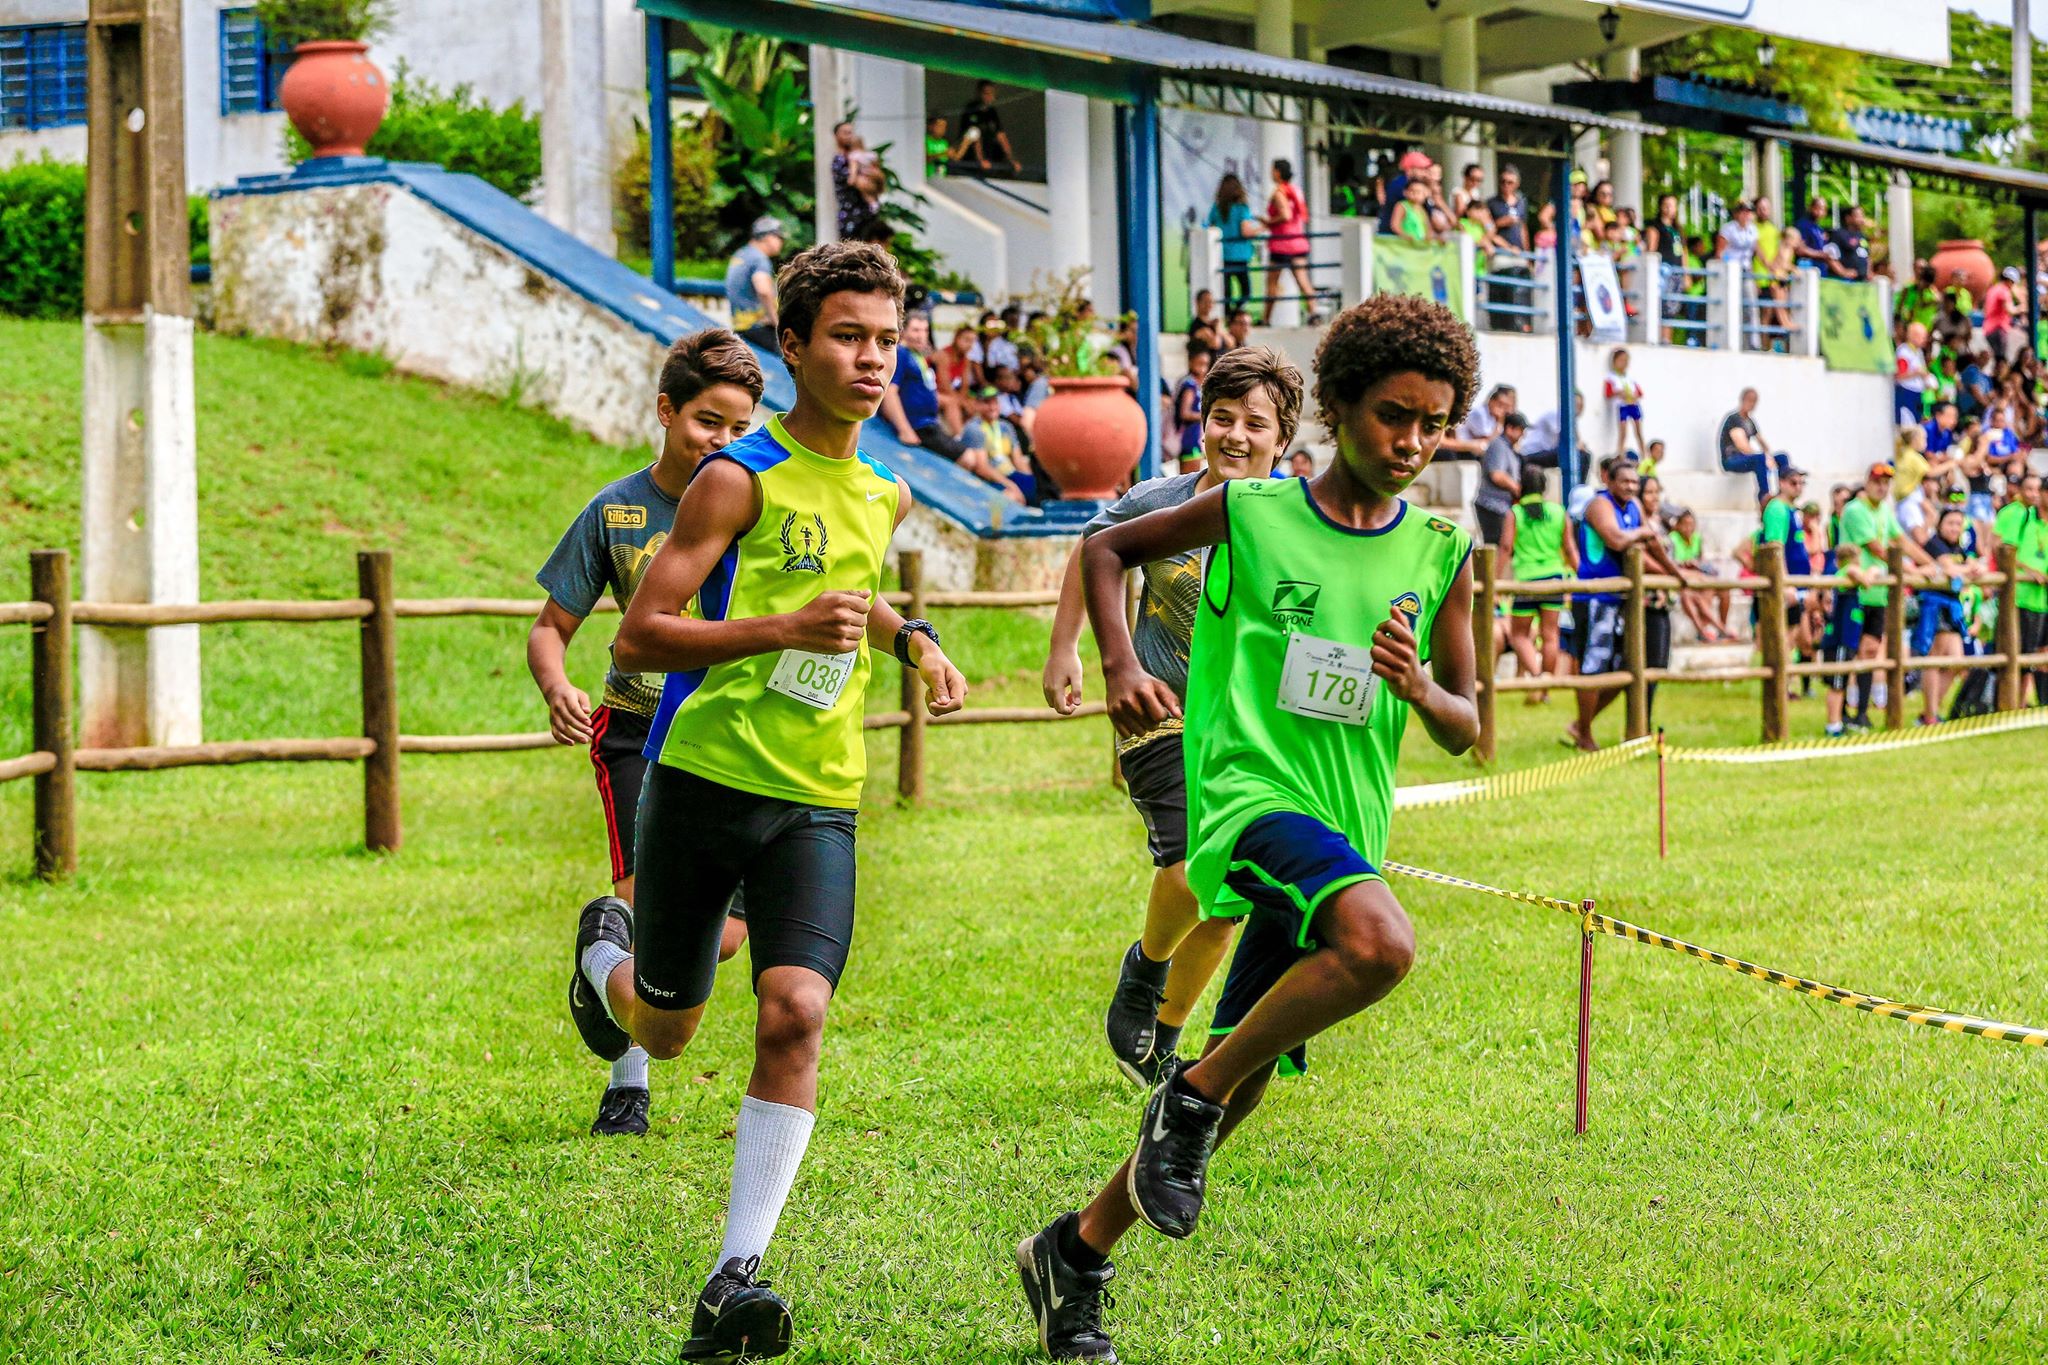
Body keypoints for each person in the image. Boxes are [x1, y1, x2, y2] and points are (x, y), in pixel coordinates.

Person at [1016, 294, 1480, 1364]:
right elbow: (1103, 553)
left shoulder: (1442, 551)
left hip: (1342, 822)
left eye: (1431, 422)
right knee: (1381, 947)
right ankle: (1185, 1097)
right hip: (1242, 796)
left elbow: (1467, 727)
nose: (1408, 442)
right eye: (1388, 415)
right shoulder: (1252, 513)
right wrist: (1122, 666)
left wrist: (1416, 688)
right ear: (1337, 405)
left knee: (1245, 1071)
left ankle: (1072, 1256)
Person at [572, 242, 968, 1363]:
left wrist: (914, 641)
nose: (870, 359)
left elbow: (851, 594)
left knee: (794, 1010)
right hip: (702, 782)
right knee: (668, 1025)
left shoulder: (885, 486)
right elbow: (642, 632)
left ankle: (731, 1276)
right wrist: (779, 633)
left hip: (816, 799)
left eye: (887, 339)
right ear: (791, 345)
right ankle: (605, 957)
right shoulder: (734, 477)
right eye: (846, 336)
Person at [1042, 346, 1303, 1091]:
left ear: (1281, 441)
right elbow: (1096, 549)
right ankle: (1145, 967)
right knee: (1192, 867)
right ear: (1201, 420)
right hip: (1157, 711)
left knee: (1231, 901)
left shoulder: (1294, 523)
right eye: (1223, 417)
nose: (1237, 436)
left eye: (1257, 424)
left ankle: (1160, 1033)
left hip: (1248, 731)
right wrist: (1073, 648)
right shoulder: (1161, 501)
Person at [533, 330, 764, 1138]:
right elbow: (550, 625)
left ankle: (598, 956)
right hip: (635, 730)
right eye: (708, 421)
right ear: (666, 411)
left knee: (725, 939)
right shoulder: (617, 510)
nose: (724, 442)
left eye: (741, 427)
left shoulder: (756, 501)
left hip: (727, 732)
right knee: (649, 904)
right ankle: (626, 1085)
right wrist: (557, 681)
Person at [1566, 455, 1690, 751]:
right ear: (1609, 480)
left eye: (1635, 482)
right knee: (1592, 667)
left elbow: (1653, 545)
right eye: (1624, 481)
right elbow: (1616, 540)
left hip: (1621, 600)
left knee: (1628, 667)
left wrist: (1678, 575)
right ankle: (1584, 732)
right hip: (1596, 598)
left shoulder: (1633, 507)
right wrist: (1643, 533)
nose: (1630, 487)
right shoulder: (1598, 505)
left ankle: (1584, 725)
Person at [1835, 460, 1934, 731]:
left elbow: (1900, 541)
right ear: (1868, 481)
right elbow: (1877, 548)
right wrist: (1912, 569)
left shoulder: (1884, 511)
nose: (1882, 487)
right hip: (1855, 590)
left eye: (1886, 482)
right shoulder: (1855, 510)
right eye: (1877, 481)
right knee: (1848, 651)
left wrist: (1930, 564)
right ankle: (1840, 714)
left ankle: (1861, 713)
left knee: (1869, 650)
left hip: (1877, 594)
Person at [1500, 463, 1577, 704]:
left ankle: (1536, 675)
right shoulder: (1559, 512)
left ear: (1521, 487)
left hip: (1526, 581)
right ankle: (1545, 689)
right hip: (1554, 579)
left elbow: (1505, 547)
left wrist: (1494, 579)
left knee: (1519, 635)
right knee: (1550, 635)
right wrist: (1581, 578)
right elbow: (1570, 549)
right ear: (1544, 487)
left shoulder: (1515, 513)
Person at [1915, 501, 1983, 724]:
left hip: (1953, 607)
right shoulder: (1934, 544)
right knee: (1935, 659)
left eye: (1958, 524)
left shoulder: (1959, 547)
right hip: (1935, 606)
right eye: (1951, 523)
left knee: (1957, 662)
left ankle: (1930, 714)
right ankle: (1930, 715)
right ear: (1940, 524)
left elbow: (1974, 566)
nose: (1955, 528)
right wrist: (1967, 570)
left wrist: (1969, 569)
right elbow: (1949, 569)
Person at [1991, 473, 2048, 705]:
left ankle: (2025, 704)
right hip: (2021, 598)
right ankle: (2010, 705)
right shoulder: (2022, 516)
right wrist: (2029, 572)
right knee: (2017, 654)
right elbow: (2005, 550)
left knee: (2035, 656)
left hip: (2041, 600)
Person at [880, 311, 968, 460]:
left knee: (973, 456)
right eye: (916, 330)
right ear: (903, 331)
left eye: (925, 330)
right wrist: (904, 429)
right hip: (919, 426)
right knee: (970, 458)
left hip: (930, 423)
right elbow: (890, 392)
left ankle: (959, 437)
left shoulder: (917, 355)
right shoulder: (901, 353)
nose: (921, 335)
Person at [1261, 159, 1319, 326]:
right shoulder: (1296, 191)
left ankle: (1266, 319)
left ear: (1278, 172)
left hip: (1281, 243)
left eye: (1272, 170)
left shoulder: (1279, 192)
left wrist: (1270, 221)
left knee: (1272, 282)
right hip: (1298, 241)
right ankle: (1313, 312)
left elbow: (1285, 215)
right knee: (1303, 280)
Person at [960, 382, 1033, 504]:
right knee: (1011, 497)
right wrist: (1011, 486)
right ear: (977, 405)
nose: (992, 407)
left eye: (995, 402)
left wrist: (1030, 480)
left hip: (1010, 474)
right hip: (990, 481)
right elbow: (982, 468)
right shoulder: (974, 428)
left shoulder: (1006, 427)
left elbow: (1018, 460)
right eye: (987, 403)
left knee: (1041, 488)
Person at [1718, 388, 1792, 505]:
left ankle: (1783, 493)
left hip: (1745, 459)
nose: (1752, 404)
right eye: (1749, 400)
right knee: (1760, 459)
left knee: (1782, 457)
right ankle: (1764, 498)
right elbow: (1742, 445)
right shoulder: (1734, 419)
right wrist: (1764, 458)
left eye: (1754, 401)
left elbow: (1762, 442)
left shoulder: (1750, 422)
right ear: (1743, 400)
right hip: (1731, 460)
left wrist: (1769, 456)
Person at [725, 217, 786, 349]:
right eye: (779, 238)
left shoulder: (741, 254)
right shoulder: (759, 259)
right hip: (757, 328)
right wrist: (776, 322)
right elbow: (763, 291)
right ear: (767, 237)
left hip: (740, 327)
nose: (781, 242)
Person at [1206, 174, 1260, 315]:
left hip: (1222, 255)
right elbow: (1246, 231)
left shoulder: (1216, 208)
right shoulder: (1242, 208)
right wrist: (1262, 228)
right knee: (1246, 292)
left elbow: (1210, 228)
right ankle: (1236, 313)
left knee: (1226, 293)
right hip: (1241, 255)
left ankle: (1229, 314)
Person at [1472, 410, 1527, 546]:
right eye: (1520, 430)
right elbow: (1497, 475)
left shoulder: (1510, 449)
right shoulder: (1498, 446)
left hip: (1502, 507)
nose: (1523, 435)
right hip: (1492, 506)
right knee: (1498, 547)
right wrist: (1517, 488)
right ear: (1510, 428)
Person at [829, 121, 884, 242]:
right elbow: (853, 181)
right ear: (836, 136)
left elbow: (879, 183)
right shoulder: (840, 161)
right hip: (850, 216)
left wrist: (875, 177)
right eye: (845, 133)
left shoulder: (863, 157)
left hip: (868, 215)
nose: (849, 136)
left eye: (851, 133)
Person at [956, 80, 1021, 174]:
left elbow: (1001, 136)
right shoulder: (972, 109)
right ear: (978, 93)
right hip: (971, 161)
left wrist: (1012, 159)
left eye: (991, 93)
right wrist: (980, 159)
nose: (989, 97)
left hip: (988, 159)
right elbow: (974, 136)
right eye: (986, 93)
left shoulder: (992, 111)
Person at [1604, 347, 1645, 459]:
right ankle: (1621, 454)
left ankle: (1644, 454)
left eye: (1626, 360)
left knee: (1639, 431)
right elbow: (1608, 393)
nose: (1624, 363)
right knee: (1623, 432)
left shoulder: (1630, 378)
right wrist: (1618, 393)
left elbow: (1640, 392)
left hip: (1633, 404)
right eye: (1621, 360)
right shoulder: (1611, 377)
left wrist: (1634, 395)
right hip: (1622, 406)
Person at [1174, 344, 1210, 470]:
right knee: (1190, 479)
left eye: (1205, 364)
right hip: (1189, 439)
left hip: (1196, 438)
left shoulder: (1199, 385)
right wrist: (1206, 416)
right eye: (1199, 363)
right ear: (1191, 363)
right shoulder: (1189, 385)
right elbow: (1185, 412)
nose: (1202, 368)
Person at [1894, 320, 1934, 426]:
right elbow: (1899, 375)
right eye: (1922, 336)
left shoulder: (1919, 352)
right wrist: (1916, 373)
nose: (1925, 340)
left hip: (1917, 393)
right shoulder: (1904, 352)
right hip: (1906, 392)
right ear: (1913, 336)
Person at [1985, 266, 2023, 363]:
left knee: (1998, 359)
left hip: (1989, 328)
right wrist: (2021, 307)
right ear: (2010, 281)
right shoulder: (2004, 291)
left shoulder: (1993, 289)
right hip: (1998, 328)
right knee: (2001, 360)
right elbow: (2010, 310)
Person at [1716, 200, 1759, 277]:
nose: (1746, 214)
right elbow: (1720, 252)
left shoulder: (1753, 230)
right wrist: (1728, 262)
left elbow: (1755, 251)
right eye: (1743, 211)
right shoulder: (1728, 228)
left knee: (1749, 288)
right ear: (1736, 213)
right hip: (1731, 269)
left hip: (1746, 268)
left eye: (1749, 212)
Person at [1829, 206, 1872, 282]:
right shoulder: (1838, 234)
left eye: (1862, 216)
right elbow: (1830, 256)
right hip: (1845, 282)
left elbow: (1867, 257)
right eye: (1858, 216)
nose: (1861, 219)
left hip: (1862, 281)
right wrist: (1842, 271)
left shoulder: (1862, 236)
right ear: (1848, 218)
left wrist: (1868, 272)